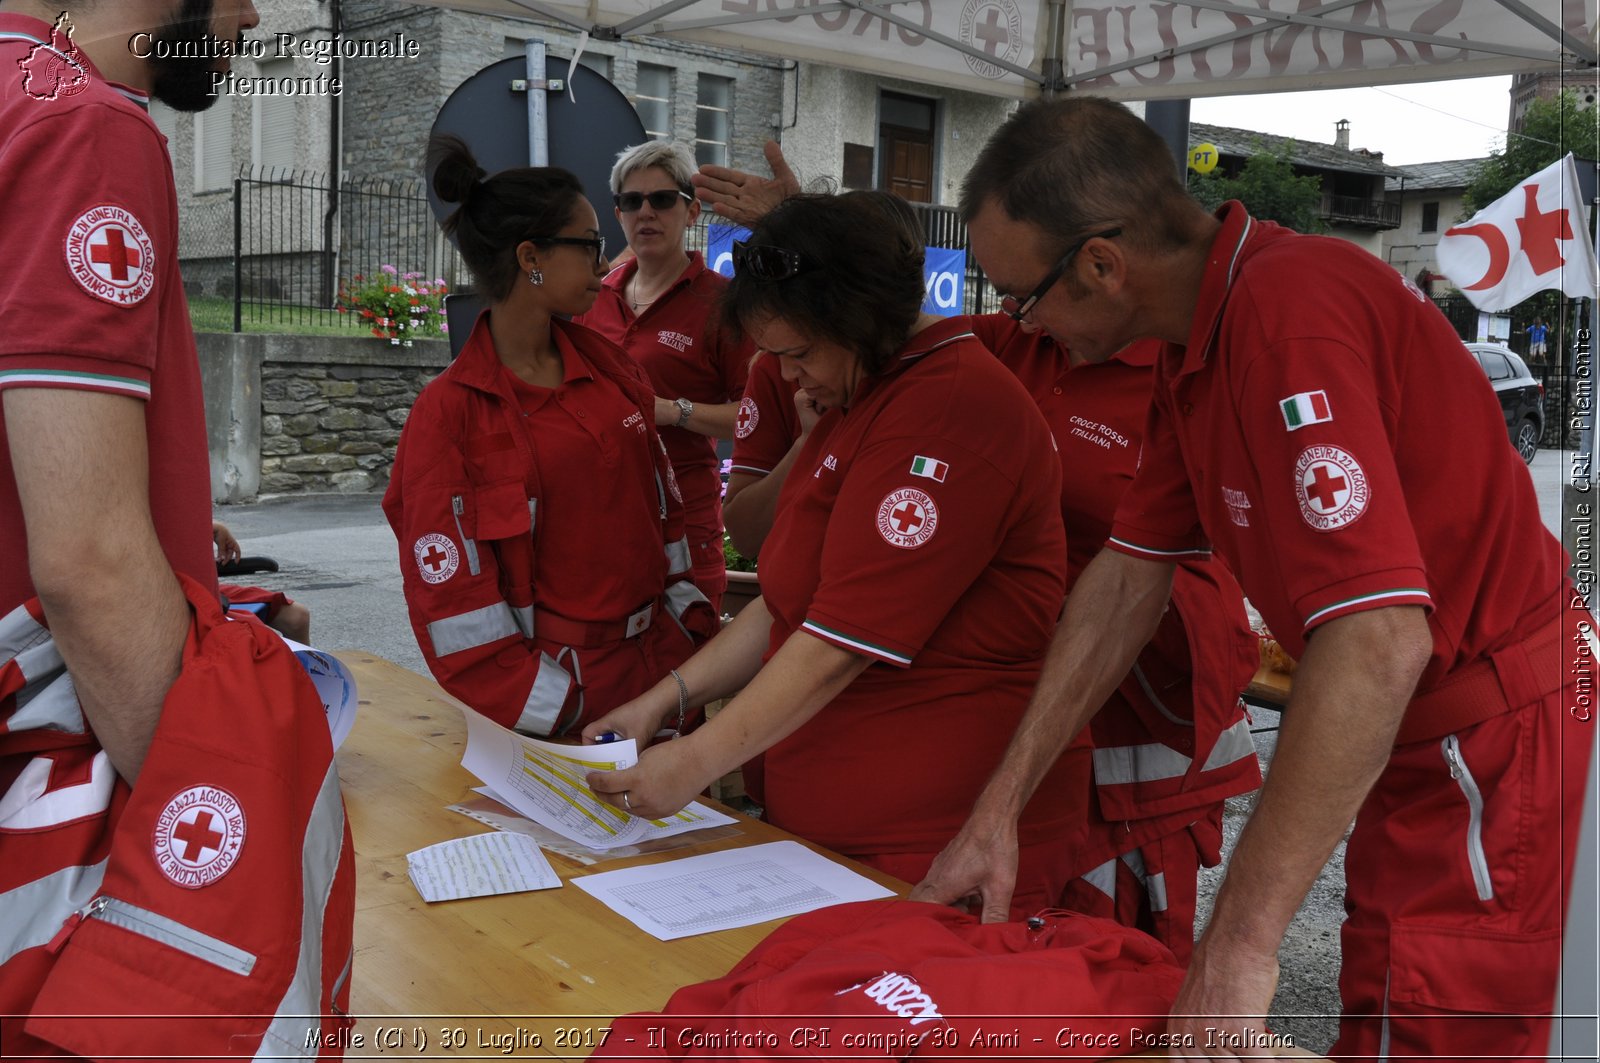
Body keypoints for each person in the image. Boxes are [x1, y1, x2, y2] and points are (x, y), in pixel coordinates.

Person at [912, 96, 1591, 1060]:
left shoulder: (1285, 316)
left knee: (1426, 1021)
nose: (1022, 324)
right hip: (1421, 728)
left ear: (1102, 266)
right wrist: (999, 808)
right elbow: (1125, 580)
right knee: (1383, 995)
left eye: (1022, 297)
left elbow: (1378, 638)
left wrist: (1237, 947)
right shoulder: (1200, 339)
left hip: (1483, 735)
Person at [1, 2, 352, 1056]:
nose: (250, 15)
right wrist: (212, 828)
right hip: (49, 808)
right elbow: (89, 561)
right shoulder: (81, 125)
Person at [582, 192, 1081, 913]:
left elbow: (840, 643)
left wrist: (692, 761)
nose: (788, 379)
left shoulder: (948, 407)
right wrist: (664, 701)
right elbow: (790, 602)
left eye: (799, 353)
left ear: (859, 320)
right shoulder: (862, 400)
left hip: (930, 850)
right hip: (837, 844)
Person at [383, 136, 718, 737]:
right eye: (589, 244)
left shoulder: (616, 372)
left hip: (659, 681)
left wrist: (684, 644)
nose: (604, 260)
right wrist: (560, 712)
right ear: (531, 257)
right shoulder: (450, 415)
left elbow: (668, 523)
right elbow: (454, 604)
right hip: (555, 714)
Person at [575, 141, 752, 612]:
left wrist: (673, 412)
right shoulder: (593, 297)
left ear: (692, 211)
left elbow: (755, 417)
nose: (645, 212)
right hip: (600, 513)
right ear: (618, 215)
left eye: (662, 199)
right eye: (631, 201)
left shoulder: (723, 304)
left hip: (684, 518)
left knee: (687, 659)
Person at [213, 520, 313, 643]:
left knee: (296, 616)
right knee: (252, 633)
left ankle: (296, 662)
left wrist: (213, 526)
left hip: (209, 587)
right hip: (188, 594)